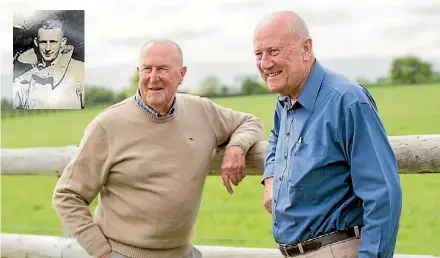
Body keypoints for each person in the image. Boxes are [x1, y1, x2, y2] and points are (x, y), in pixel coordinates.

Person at [52, 39, 264, 258]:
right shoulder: (107, 125)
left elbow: (250, 122)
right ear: (138, 72)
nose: (153, 77)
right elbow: (67, 195)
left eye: (163, 69)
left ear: (181, 74)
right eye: (147, 69)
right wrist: (102, 252)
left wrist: (237, 146)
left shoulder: (202, 111)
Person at [255, 11, 402, 258]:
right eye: (259, 54)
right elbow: (274, 138)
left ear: (306, 48)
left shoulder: (347, 101)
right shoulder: (285, 101)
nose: (265, 63)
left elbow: (383, 192)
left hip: (335, 250)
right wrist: (271, 178)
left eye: (274, 51)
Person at [13, 19, 84, 109]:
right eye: (43, 42)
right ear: (36, 42)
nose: (48, 48)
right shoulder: (24, 79)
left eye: (53, 42)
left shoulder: (80, 71)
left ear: (63, 42)